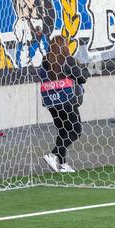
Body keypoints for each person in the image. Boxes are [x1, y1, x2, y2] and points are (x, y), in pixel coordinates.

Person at [37, 34, 89, 173]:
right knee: (75, 131)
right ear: (64, 46)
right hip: (67, 101)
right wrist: (81, 67)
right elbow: (82, 78)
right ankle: (52, 154)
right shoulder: (68, 60)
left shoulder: (45, 62)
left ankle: (63, 164)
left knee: (63, 131)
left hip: (52, 102)